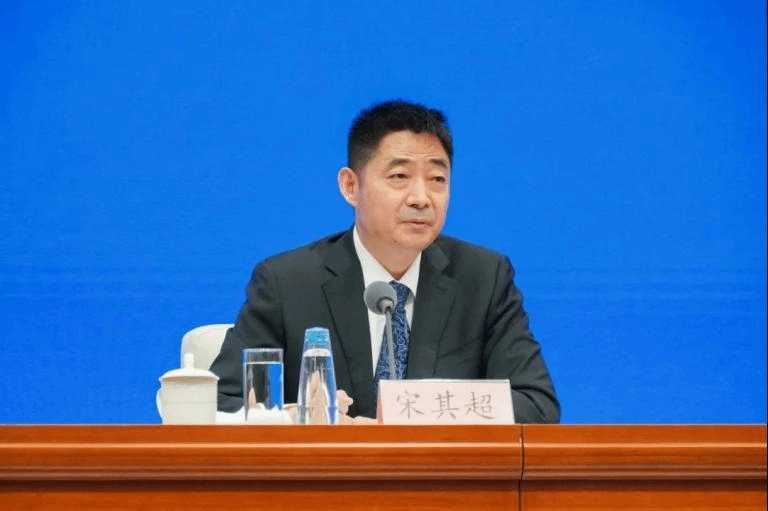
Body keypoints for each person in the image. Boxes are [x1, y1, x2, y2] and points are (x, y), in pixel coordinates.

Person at [210, 100, 560, 423]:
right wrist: (293, 417)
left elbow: (537, 404)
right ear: (351, 186)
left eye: (437, 180)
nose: (421, 198)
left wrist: (419, 413)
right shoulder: (287, 283)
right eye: (399, 177)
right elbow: (220, 402)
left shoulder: (483, 278)